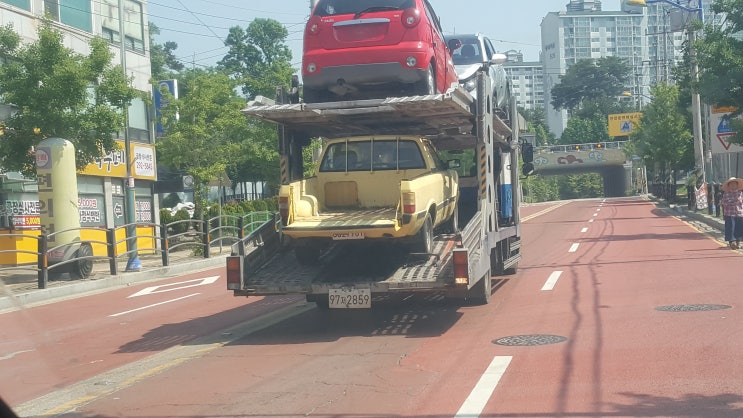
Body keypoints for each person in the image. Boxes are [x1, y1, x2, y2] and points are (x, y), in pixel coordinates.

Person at [720, 177, 743, 249]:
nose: (733, 186)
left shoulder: (740, 193)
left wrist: (731, 201)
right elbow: (724, 202)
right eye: (731, 184)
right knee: (730, 228)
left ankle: (738, 242)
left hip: (739, 213)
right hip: (729, 213)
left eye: (734, 184)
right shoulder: (726, 194)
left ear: (737, 185)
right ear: (729, 185)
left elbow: (739, 200)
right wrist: (732, 201)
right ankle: (732, 242)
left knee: (739, 228)